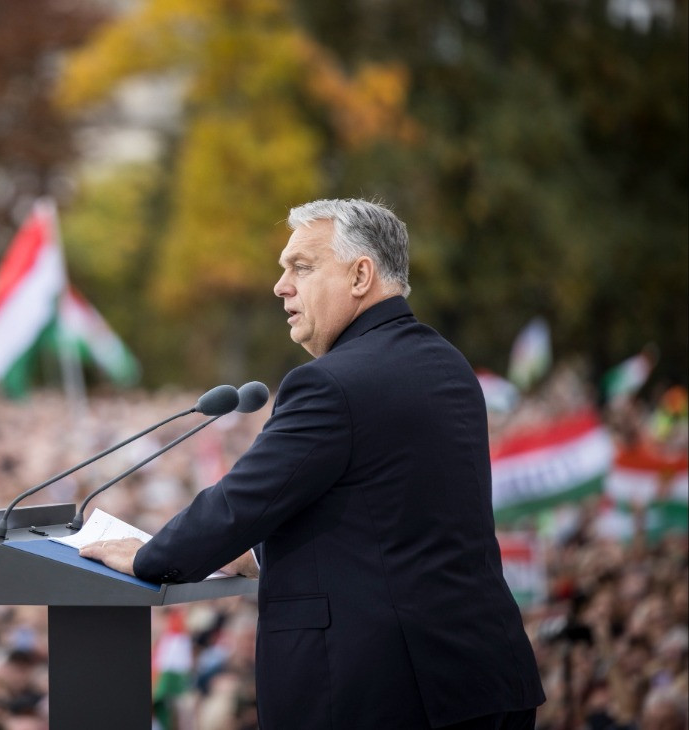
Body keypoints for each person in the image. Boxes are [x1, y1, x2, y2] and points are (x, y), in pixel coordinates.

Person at [80, 199, 546, 729]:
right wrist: (259, 557)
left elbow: (240, 504)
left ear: (361, 275)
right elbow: (392, 518)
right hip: (484, 679)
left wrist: (150, 556)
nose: (281, 285)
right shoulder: (448, 364)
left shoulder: (330, 382)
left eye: (301, 267)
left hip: (386, 696)